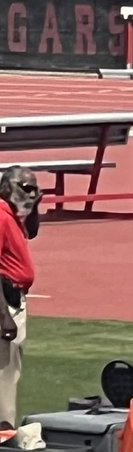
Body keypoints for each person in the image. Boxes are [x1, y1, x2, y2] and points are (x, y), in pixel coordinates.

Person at [0, 167, 40, 431]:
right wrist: (4, 316)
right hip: (5, 300)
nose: (32, 193)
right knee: (4, 372)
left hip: (14, 298)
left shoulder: (13, 214)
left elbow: (33, 231)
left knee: (10, 370)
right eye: (27, 188)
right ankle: (3, 431)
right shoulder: (1, 216)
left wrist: (34, 205)